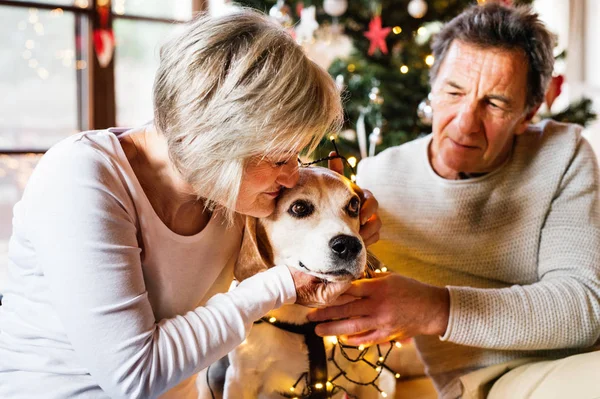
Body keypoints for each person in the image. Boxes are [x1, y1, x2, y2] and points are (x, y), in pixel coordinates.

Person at [0, 10, 381, 399]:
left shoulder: (233, 192)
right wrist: (282, 284)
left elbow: (304, 229)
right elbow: (135, 377)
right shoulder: (81, 177)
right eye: (278, 157)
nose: (291, 176)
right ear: (212, 137)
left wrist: (348, 212)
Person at [309, 3, 600, 399]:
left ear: (529, 112)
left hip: (583, 360)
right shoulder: (377, 184)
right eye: (453, 92)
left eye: (495, 104)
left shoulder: (563, 154)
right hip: (487, 382)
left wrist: (434, 307)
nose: (465, 122)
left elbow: (584, 308)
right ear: (432, 88)